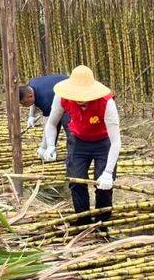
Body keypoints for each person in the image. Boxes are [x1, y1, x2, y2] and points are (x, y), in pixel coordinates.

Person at [38, 65, 121, 225]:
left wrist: (108, 172)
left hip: (104, 143)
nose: (81, 100)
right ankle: (82, 221)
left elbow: (116, 141)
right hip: (78, 142)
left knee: (103, 185)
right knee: (76, 182)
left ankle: (102, 222)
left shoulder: (106, 102)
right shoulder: (62, 97)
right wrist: (50, 146)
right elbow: (51, 123)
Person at [19, 73, 69, 140]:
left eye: (24, 103)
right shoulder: (31, 83)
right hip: (63, 82)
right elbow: (34, 98)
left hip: (72, 96)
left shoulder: (45, 101)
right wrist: (31, 116)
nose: (24, 106)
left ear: (30, 96)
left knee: (66, 124)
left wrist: (44, 146)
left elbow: (49, 124)